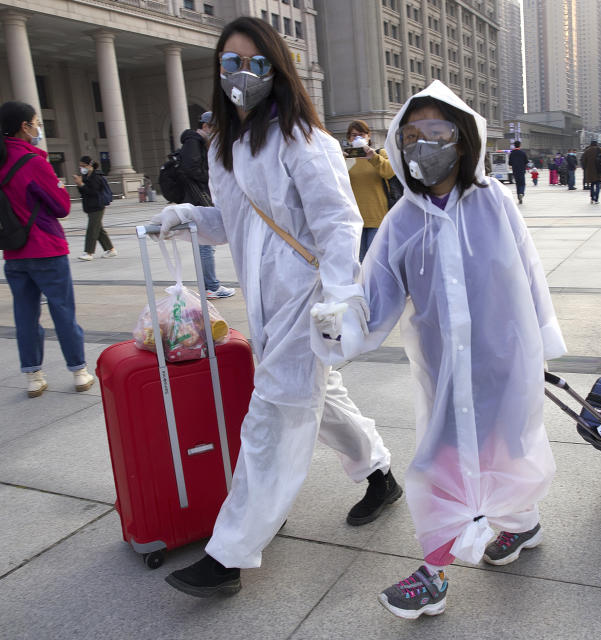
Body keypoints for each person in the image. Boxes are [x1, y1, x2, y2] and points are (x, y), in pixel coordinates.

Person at [152, 16, 399, 598]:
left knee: (276, 413)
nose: (242, 75)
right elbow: (236, 225)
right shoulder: (224, 147)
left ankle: (230, 552)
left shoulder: (302, 140)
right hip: (266, 304)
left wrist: (341, 298)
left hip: (306, 298)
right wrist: (189, 219)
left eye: (255, 63)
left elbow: (338, 223)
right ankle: (380, 475)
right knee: (318, 396)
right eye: (230, 63)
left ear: (276, 70)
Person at [313, 80, 565, 620]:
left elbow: (530, 272)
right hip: (447, 370)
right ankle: (435, 573)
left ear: (462, 138)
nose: (424, 144)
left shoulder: (494, 202)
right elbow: (374, 299)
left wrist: (543, 345)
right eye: (411, 135)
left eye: (437, 132)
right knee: (442, 462)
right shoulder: (402, 220)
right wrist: (337, 328)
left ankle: (521, 524)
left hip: (505, 359)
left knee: (507, 448)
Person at [0, 101, 95, 397]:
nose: (38, 128)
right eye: (37, 122)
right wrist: (59, 187)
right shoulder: (33, 161)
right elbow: (61, 207)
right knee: (62, 311)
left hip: (13, 252)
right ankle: (79, 372)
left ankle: (33, 376)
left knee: (24, 314)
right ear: (25, 126)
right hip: (45, 248)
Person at [177, 111, 235, 300]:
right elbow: (191, 169)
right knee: (206, 244)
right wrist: (210, 178)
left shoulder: (198, 142)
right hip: (198, 196)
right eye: (215, 128)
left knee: (205, 244)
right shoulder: (193, 142)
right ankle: (211, 286)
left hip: (199, 195)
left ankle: (209, 284)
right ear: (205, 127)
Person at [344, 119, 397, 260]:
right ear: (349, 138)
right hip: (353, 221)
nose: (358, 138)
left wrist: (373, 157)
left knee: (375, 263)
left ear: (369, 136)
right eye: (354, 135)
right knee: (359, 264)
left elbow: (390, 172)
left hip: (377, 218)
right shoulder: (345, 159)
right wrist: (340, 161)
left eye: (362, 134)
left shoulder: (380, 153)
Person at [73, 156, 116, 261]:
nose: (81, 168)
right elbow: (84, 192)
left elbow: (93, 192)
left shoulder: (96, 177)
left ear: (90, 165)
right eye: (80, 166)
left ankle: (88, 252)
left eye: (83, 166)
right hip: (90, 206)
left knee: (92, 229)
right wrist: (80, 185)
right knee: (98, 229)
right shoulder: (86, 176)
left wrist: (81, 184)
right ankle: (110, 249)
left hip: (97, 206)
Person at [581, 140, 601, 204]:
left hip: (590, 171)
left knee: (592, 185)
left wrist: (585, 168)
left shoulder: (587, 151)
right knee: (598, 185)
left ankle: (592, 198)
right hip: (598, 170)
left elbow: (583, 160)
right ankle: (596, 199)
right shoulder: (599, 149)